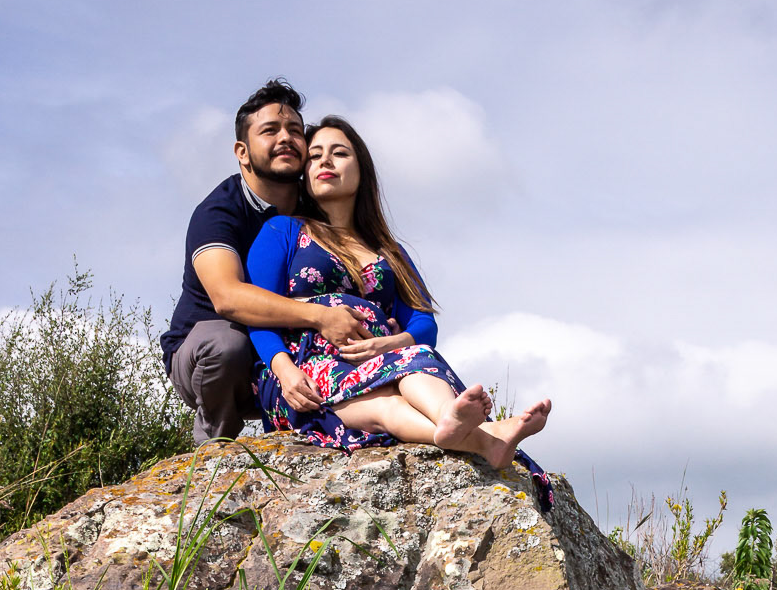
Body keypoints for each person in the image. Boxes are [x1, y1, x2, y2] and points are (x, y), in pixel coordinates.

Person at [244, 116, 552, 496]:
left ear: (362, 172)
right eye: (316, 156)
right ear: (304, 175)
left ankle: (468, 435)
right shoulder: (283, 231)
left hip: (377, 366)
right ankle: (482, 430)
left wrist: (386, 344)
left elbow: (423, 323)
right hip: (303, 372)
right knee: (396, 383)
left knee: (400, 381)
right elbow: (259, 311)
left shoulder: (387, 252)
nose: (325, 162)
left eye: (339, 153)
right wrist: (285, 371)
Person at [160, 79, 347, 442]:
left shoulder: (317, 208)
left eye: (295, 130)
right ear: (242, 152)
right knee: (227, 345)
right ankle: (215, 452)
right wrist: (321, 314)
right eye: (270, 130)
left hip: (290, 343)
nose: (286, 138)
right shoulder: (219, 211)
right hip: (214, 351)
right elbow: (227, 298)